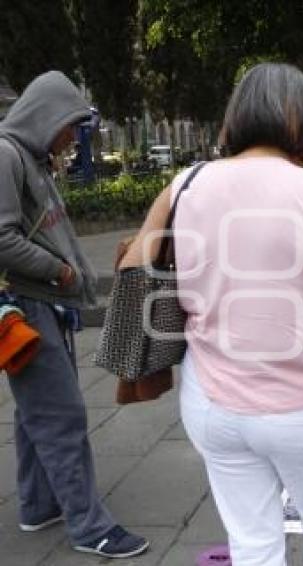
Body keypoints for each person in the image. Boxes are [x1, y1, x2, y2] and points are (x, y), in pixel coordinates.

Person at [119, 62, 303, 565]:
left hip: (211, 402)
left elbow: (132, 267)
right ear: (302, 118)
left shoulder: (183, 186)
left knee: (253, 541)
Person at [0, 71, 149, 558]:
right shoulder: (6, 155)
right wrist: (60, 273)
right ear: (46, 117)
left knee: (35, 413)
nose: (72, 137)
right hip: (28, 303)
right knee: (61, 415)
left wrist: (67, 279)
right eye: (69, 126)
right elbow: (2, 239)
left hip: (42, 302)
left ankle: (38, 504)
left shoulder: (30, 159)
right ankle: (90, 528)